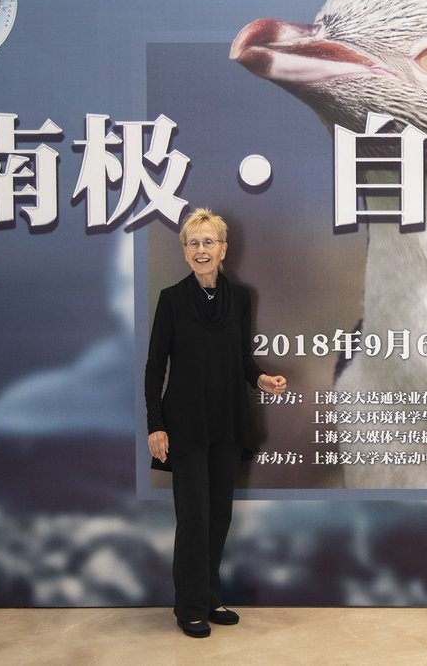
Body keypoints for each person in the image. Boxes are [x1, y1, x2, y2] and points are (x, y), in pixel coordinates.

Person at [145, 208, 287, 638]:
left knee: (219, 514)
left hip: (227, 419)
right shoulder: (171, 299)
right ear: (184, 251)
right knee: (193, 515)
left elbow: (241, 358)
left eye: (209, 242)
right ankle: (187, 606)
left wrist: (260, 378)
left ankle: (210, 597)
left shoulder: (240, 299)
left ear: (223, 249)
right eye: (193, 243)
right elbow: (155, 368)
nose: (201, 250)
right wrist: (156, 425)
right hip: (185, 424)